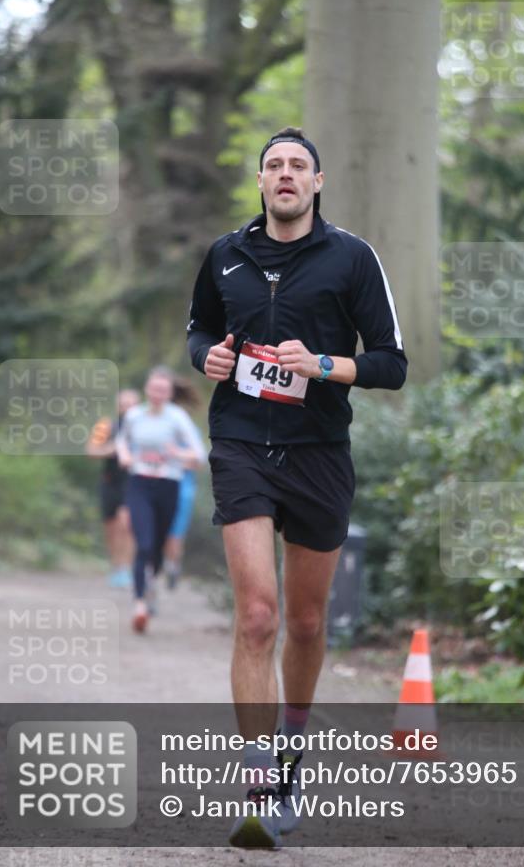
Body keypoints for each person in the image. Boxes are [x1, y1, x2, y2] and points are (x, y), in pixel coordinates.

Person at [187, 126, 407, 848]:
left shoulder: (350, 258)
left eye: (297, 166)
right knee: (256, 615)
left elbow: (389, 363)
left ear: (316, 183)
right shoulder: (225, 256)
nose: (284, 175)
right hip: (242, 443)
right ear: (259, 183)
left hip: (318, 450)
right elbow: (199, 332)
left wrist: (321, 364)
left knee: (306, 625)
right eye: (273, 165)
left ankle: (292, 754)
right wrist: (209, 358)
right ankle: (257, 788)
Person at [116, 366, 207, 633]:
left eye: (163, 390)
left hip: (169, 484)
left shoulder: (177, 418)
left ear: (170, 393)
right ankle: (140, 605)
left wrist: (176, 454)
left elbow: (199, 456)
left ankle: (150, 584)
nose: (157, 394)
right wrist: (124, 456)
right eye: (154, 389)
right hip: (140, 483)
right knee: (142, 543)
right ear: (147, 389)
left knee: (157, 547)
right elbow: (122, 441)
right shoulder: (134, 416)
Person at [86, 388, 140, 588]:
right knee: (111, 528)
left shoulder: (145, 427)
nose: (127, 409)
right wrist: (113, 449)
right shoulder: (106, 425)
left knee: (126, 524)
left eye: (131, 404)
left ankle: (127, 568)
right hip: (110, 482)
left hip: (134, 482)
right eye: (123, 404)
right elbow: (91, 450)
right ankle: (117, 566)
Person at [164, 377, 205, 589]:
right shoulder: (145, 418)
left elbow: (198, 460)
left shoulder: (184, 423)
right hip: (152, 483)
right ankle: (148, 573)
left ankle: (172, 565)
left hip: (181, 487)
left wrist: (175, 455)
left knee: (174, 534)